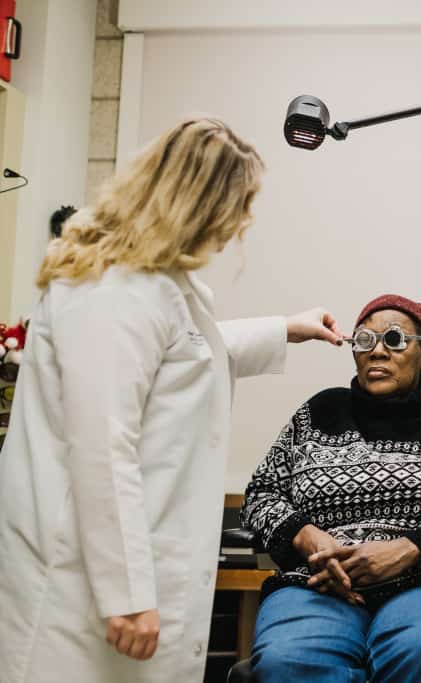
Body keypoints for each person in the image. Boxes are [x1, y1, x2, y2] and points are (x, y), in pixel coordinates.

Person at [0, 117, 344, 683]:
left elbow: (180, 353)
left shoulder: (149, 281)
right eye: (236, 209)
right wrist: (129, 594)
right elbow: (102, 447)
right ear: (199, 205)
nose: (237, 227)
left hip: (121, 569)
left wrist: (285, 327)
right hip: (78, 581)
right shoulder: (110, 286)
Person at [241, 294, 421, 683]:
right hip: (323, 586)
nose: (377, 352)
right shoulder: (318, 412)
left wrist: (411, 548)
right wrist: (307, 538)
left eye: (394, 340)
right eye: (363, 341)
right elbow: (262, 492)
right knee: (287, 661)